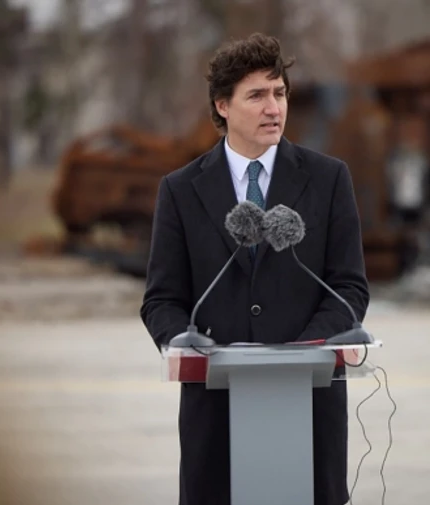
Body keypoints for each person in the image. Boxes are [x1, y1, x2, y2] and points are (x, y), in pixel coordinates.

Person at [140, 32, 370, 505]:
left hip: (308, 402)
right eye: (257, 95)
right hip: (216, 410)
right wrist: (181, 339)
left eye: (280, 93)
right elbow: (162, 299)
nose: (274, 108)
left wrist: (301, 351)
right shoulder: (181, 190)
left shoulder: (329, 179)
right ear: (223, 106)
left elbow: (349, 288)